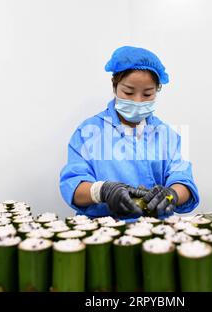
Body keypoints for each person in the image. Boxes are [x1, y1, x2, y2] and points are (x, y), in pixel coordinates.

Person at [60, 46, 199, 220]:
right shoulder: (88, 133)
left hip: (155, 235)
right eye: (128, 92)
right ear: (115, 86)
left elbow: (183, 180)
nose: (137, 101)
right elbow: (73, 186)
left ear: (157, 90)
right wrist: (103, 191)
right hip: (102, 234)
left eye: (147, 94)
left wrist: (172, 194)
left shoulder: (167, 135)